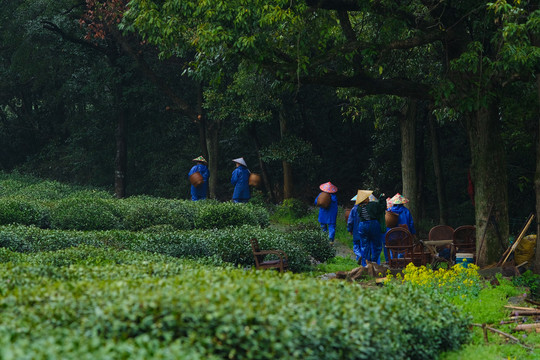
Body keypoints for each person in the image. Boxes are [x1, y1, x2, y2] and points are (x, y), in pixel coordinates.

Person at [347, 190, 386, 266]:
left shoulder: (359, 208)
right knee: (376, 245)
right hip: (373, 225)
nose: (369, 198)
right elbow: (382, 207)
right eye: (367, 197)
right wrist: (382, 198)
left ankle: (365, 264)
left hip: (362, 226)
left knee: (364, 246)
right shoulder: (372, 205)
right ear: (364, 199)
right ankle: (374, 263)